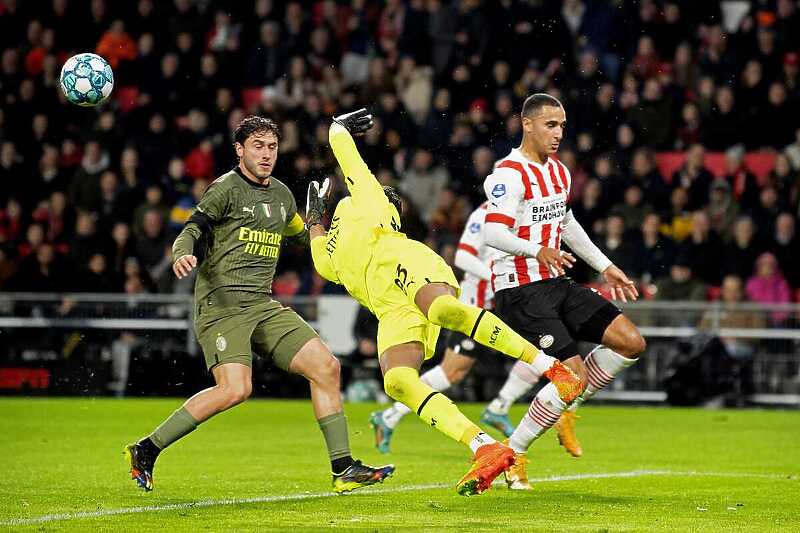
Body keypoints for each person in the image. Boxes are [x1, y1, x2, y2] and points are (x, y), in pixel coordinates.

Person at [307, 109, 583, 496]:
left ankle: (551, 367)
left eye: (392, 202)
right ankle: (483, 446)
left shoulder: (369, 202)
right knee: (397, 382)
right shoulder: (333, 258)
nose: (388, 199)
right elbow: (318, 249)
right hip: (390, 309)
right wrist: (314, 217)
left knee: (442, 310)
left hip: (405, 264)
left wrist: (338, 129)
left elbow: (344, 152)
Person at [124, 116, 393, 495]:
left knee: (326, 367)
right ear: (240, 149)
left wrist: (320, 218)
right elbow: (192, 229)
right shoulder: (225, 189)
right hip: (222, 305)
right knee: (236, 389)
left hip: (262, 305)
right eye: (258, 146)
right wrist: (183, 254)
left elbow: (306, 241)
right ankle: (146, 450)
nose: (267, 154)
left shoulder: (281, 196)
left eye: (272, 146)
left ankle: (343, 467)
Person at [482, 93, 647, 490]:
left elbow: (567, 223)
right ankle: (514, 453)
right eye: (550, 125)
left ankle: (567, 406)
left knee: (631, 342)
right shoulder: (509, 173)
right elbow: (493, 232)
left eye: (562, 126)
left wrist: (605, 267)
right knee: (571, 376)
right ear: (527, 124)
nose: (558, 134)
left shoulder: (559, 172)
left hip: (555, 280)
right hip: (520, 288)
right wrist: (536, 249)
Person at [369, 202, 593, 459]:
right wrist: (494, 275)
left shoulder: (529, 213)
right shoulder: (484, 214)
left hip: (503, 303)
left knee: (534, 348)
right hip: (473, 308)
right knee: (452, 371)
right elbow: (462, 256)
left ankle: (500, 405)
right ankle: (389, 416)